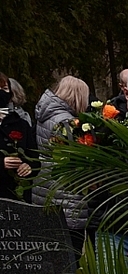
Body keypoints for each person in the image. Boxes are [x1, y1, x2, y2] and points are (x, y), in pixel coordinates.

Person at [32, 76, 93, 239]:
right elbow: (75, 160)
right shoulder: (66, 123)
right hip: (66, 194)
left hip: (46, 185)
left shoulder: (46, 116)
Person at [0, 72, 38, 201]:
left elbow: (34, 158)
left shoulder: (21, 124)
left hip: (17, 197)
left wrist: (28, 166)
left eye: (5, 89)